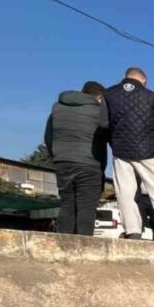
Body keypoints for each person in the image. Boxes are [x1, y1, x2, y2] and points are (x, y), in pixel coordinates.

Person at [103, 66, 154, 243]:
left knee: (125, 193)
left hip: (121, 150)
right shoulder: (151, 96)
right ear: (144, 81)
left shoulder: (108, 94)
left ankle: (132, 231)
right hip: (148, 150)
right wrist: (148, 129)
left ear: (125, 77)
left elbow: (103, 123)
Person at [44, 81, 107, 236]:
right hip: (89, 164)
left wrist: (57, 156)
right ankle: (83, 246)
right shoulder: (98, 111)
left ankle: (65, 244)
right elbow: (104, 140)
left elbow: (48, 137)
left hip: (62, 162)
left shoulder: (57, 108)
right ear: (99, 97)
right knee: (87, 207)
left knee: (67, 205)